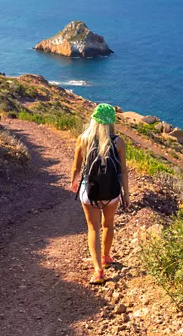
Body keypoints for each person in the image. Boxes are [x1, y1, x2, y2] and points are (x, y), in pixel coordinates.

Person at [70, 103, 130, 284]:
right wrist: (126, 194)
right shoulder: (118, 142)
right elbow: (123, 170)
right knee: (108, 224)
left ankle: (98, 271)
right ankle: (106, 257)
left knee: (93, 227)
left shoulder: (83, 139)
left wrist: (74, 184)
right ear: (111, 122)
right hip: (112, 193)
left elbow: (76, 168)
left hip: (90, 192)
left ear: (93, 120)